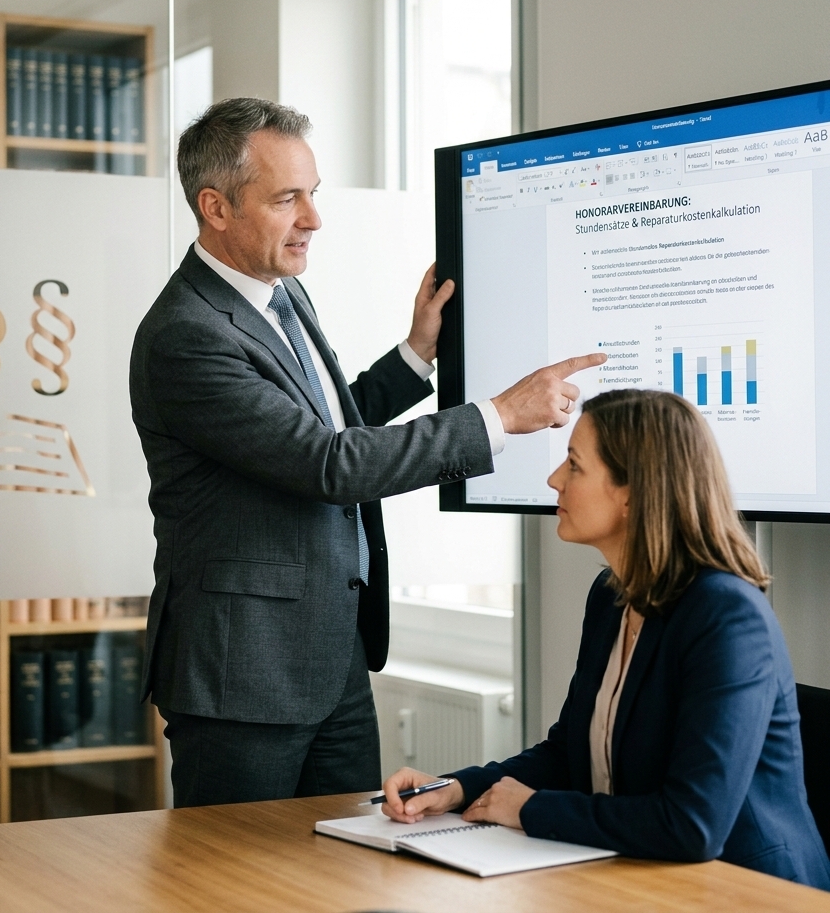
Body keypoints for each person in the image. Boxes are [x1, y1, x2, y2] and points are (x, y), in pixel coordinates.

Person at [129, 97, 603, 807]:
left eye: (312, 193)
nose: (313, 219)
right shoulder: (186, 333)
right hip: (243, 675)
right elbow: (327, 463)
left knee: (347, 857)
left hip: (332, 658)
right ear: (215, 207)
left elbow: (317, 427)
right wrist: (500, 416)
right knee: (234, 868)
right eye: (287, 199)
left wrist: (415, 354)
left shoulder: (280, 293)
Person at [381, 389, 830, 890]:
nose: (554, 479)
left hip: (752, 890)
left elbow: (693, 825)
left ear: (633, 493)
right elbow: (568, 753)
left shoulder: (726, 615)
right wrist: (458, 788)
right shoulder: (611, 595)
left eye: (574, 465)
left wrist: (531, 809)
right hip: (646, 875)